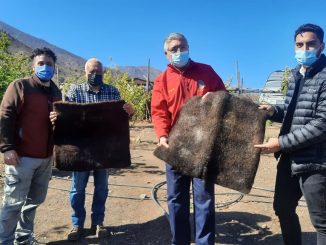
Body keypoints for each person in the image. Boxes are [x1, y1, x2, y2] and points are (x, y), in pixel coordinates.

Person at [151, 32, 226, 245]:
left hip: (203, 144)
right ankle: (180, 241)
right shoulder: (162, 80)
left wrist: (217, 99)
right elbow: (158, 111)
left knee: (204, 198)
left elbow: (225, 98)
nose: (179, 52)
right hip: (175, 145)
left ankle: (204, 242)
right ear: (166, 54)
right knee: (176, 199)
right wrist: (162, 135)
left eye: (182, 47)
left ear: (188, 48)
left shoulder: (206, 72)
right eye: (173, 49)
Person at [255, 23, 326, 245]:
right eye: (299, 44)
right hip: (289, 158)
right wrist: (274, 111)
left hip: (316, 161)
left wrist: (281, 143)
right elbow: (295, 113)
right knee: (283, 209)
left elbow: (322, 123)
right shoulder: (296, 75)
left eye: (310, 44)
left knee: (322, 222)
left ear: (321, 45)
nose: (304, 49)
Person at [50, 58, 133, 241]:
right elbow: (66, 118)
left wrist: (129, 112)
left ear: (103, 72)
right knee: (77, 189)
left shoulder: (112, 92)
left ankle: (98, 223)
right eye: (91, 72)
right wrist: (57, 117)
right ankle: (77, 225)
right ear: (85, 72)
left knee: (101, 188)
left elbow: (120, 119)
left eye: (98, 71)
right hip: (81, 150)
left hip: (104, 150)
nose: (95, 75)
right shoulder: (75, 91)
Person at [0, 47, 62, 245]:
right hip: (21, 157)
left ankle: (24, 237)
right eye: (41, 63)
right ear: (33, 66)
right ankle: (5, 240)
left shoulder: (56, 92)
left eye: (49, 64)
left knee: (33, 202)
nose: (45, 67)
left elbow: (59, 124)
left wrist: (59, 120)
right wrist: (7, 147)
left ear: (54, 67)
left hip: (45, 158)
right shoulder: (20, 86)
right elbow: (5, 116)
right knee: (13, 204)